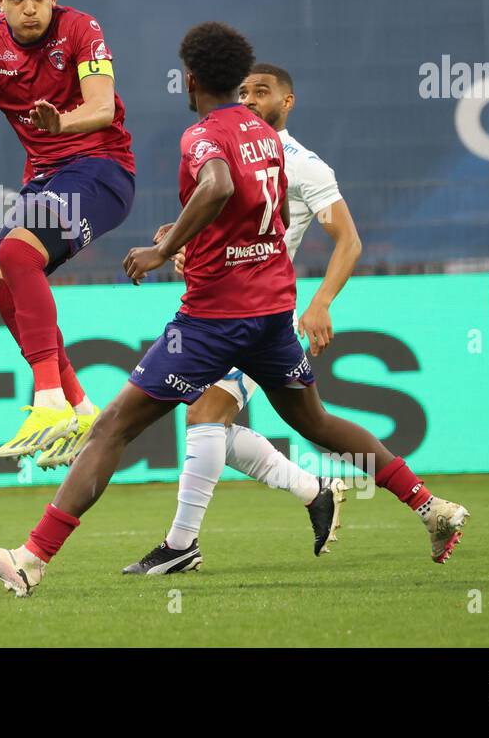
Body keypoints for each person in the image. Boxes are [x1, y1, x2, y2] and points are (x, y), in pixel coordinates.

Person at [0, 22, 469, 597]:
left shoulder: (202, 136)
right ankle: (431, 507)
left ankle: (32, 559)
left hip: (212, 320)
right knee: (317, 423)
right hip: (271, 311)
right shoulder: (268, 136)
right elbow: (259, 220)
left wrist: (165, 248)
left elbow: (220, 186)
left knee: (112, 429)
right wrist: (192, 238)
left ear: (192, 78)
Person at [123, 63, 362, 574]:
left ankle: (181, 544)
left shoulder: (301, 162)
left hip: (262, 313)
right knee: (207, 420)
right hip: (232, 306)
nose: (251, 100)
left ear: (288, 100)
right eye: (245, 91)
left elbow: (347, 238)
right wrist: (188, 245)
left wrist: (321, 302)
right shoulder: (238, 150)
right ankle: (313, 490)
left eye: (263, 91)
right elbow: (232, 224)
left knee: (211, 418)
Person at [0, 0, 136, 469]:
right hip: (46, 178)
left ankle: (47, 398)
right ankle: (79, 406)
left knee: (18, 254)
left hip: (103, 169)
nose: (30, 8)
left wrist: (61, 123)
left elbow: (99, 107)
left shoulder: (81, 29)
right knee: (0, 281)